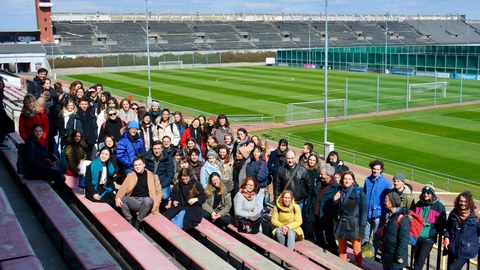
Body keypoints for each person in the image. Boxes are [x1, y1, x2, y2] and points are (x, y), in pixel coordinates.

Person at [115, 157, 162, 230]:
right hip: (134, 200)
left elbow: (159, 192)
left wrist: (156, 205)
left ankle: (138, 221)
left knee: (147, 200)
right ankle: (129, 219)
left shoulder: (153, 176)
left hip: (146, 201)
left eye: (139, 164)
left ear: (143, 165)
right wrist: (118, 197)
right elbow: (123, 188)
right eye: (135, 165)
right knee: (123, 199)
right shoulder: (130, 176)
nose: (137, 167)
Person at [333, 171, 367, 267]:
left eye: (349, 179)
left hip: (354, 224)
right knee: (342, 249)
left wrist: (362, 230)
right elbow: (336, 210)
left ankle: (358, 267)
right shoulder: (339, 191)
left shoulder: (359, 192)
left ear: (353, 180)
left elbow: (364, 212)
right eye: (345, 178)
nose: (346, 181)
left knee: (356, 250)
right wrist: (335, 200)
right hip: (342, 223)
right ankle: (342, 267)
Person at [412, 182, 446, 270]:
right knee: (416, 259)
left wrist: (431, 233)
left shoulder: (439, 207)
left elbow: (442, 224)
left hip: (428, 240)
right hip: (417, 237)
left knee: (420, 261)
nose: (425, 195)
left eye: (428, 193)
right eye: (424, 193)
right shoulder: (418, 204)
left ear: (432, 194)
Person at [443, 191, 480, 270]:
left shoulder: (476, 216)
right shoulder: (454, 213)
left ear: (469, 202)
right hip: (452, 248)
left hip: (466, 249)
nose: (462, 203)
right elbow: (448, 228)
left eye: (465, 201)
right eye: (461, 201)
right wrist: (446, 237)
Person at [362, 159, 392, 254]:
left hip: (379, 215)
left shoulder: (386, 184)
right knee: (365, 237)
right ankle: (364, 255)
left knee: (376, 238)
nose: (375, 171)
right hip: (368, 213)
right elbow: (364, 194)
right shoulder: (367, 180)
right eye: (373, 169)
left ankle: (373, 257)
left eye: (377, 169)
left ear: (381, 170)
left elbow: (388, 200)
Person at [380, 191, 410, 270]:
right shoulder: (390, 215)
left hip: (395, 258)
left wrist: (399, 255)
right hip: (387, 254)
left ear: (392, 202)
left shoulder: (403, 219)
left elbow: (403, 239)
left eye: (386, 200)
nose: (384, 202)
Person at [314, 164, 339, 255]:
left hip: (328, 218)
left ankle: (334, 257)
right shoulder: (319, 183)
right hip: (317, 215)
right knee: (319, 237)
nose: (320, 176)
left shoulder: (336, 187)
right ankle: (322, 255)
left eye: (322, 174)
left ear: (329, 175)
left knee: (330, 239)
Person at [0, 76, 15, 148]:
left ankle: (2, 137)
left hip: (1, 110)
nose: (1, 84)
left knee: (10, 124)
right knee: (6, 124)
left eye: (2, 83)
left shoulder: (1, 91)